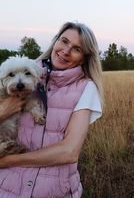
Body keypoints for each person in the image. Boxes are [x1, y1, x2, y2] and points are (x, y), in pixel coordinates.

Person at [0, 21, 103, 198]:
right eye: (64, 41)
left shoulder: (86, 89)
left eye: (77, 49)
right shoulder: (27, 71)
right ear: (55, 41)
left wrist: (7, 161)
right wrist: (3, 111)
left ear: (85, 57)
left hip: (54, 191)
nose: (66, 51)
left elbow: (69, 152)